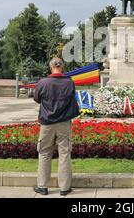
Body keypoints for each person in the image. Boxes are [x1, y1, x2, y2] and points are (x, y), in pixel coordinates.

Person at [33, 57, 79, 196]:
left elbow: (36, 98)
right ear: (62, 67)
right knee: (64, 153)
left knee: (44, 153)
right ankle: (64, 188)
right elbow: (72, 98)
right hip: (64, 122)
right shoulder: (69, 82)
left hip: (47, 123)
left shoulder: (43, 82)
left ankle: (42, 186)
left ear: (51, 67)